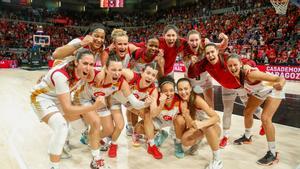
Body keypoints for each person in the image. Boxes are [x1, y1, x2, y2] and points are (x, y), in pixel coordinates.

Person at [30, 48, 108, 169]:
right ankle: (54, 166)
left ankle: (95, 160)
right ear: (77, 62)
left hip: (59, 97)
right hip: (41, 98)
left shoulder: (84, 71)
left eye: (91, 64)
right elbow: (67, 109)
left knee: (83, 127)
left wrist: (104, 69)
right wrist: (94, 107)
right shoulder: (61, 76)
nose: (88, 68)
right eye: (85, 63)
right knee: (61, 126)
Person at [76, 53, 151, 158]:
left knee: (109, 130)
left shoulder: (121, 83)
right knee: (95, 123)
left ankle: (89, 137)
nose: (117, 73)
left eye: (120, 70)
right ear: (106, 69)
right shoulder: (95, 75)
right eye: (113, 70)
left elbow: (135, 104)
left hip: (99, 102)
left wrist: (145, 103)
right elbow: (78, 71)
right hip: (84, 100)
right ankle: (96, 155)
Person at [188, 43, 263, 149]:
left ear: (217, 51)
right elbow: (192, 74)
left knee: (252, 109)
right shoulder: (205, 63)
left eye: (212, 52)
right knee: (227, 111)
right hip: (227, 88)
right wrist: (193, 63)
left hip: (240, 86)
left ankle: (265, 122)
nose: (210, 55)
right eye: (207, 53)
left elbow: (243, 61)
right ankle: (226, 137)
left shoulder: (226, 57)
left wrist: (249, 65)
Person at [226, 54, 285, 166]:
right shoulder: (236, 75)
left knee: (265, 118)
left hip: (273, 89)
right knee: (247, 111)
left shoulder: (251, 74)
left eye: (235, 65)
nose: (233, 68)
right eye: (230, 66)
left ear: (241, 64)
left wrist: (280, 84)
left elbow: (280, 78)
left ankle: (272, 153)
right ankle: (247, 137)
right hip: (260, 91)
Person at [175, 78, 223, 169]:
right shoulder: (183, 103)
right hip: (200, 127)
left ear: (190, 89)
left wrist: (203, 123)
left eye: (186, 89)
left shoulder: (197, 99)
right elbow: (191, 124)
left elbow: (216, 117)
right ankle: (198, 141)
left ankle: (218, 160)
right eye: (180, 89)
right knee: (185, 140)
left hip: (214, 126)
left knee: (207, 127)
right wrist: (186, 115)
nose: (183, 92)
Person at [182, 30, 228, 108]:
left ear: (200, 40)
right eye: (191, 40)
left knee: (210, 106)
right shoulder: (184, 50)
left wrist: (225, 39)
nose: (194, 43)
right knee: (190, 106)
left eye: (196, 40)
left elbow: (222, 46)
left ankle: (212, 119)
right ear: (188, 41)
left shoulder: (206, 45)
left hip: (205, 79)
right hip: (191, 81)